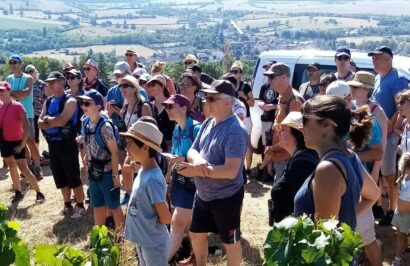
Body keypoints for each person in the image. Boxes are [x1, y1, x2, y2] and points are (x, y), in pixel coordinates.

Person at [177, 80, 248, 266]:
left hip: (227, 196)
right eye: (205, 97)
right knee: (196, 233)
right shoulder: (209, 121)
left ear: (227, 102)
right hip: (204, 194)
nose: (205, 101)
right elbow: (192, 150)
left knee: (230, 242)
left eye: (211, 98)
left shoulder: (236, 130)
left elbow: (231, 171)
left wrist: (198, 170)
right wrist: (199, 162)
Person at [294, 95, 380, 231]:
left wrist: (342, 223)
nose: (300, 126)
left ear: (326, 125)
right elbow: (373, 195)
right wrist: (345, 222)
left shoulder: (328, 169)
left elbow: (323, 238)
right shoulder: (351, 157)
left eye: (305, 119)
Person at [369, 46, 409, 226]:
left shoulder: (398, 79)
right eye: (373, 59)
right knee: (380, 173)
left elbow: (401, 106)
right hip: (378, 132)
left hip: (390, 134)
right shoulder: (378, 77)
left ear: (389, 59)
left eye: (378, 58)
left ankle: (392, 210)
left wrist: (391, 126)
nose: (374, 61)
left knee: (390, 174)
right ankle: (379, 206)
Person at [122, 120, 171, 266]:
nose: (126, 148)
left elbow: (165, 217)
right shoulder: (143, 170)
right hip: (144, 240)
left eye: (130, 144)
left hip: (154, 244)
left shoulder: (153, 179)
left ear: (144, 147)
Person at [38, 71, 85, 218]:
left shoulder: (70, 100)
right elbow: (40, 123)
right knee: (59, 175)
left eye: (53, 82)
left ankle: (80, 205)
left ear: (62, 82)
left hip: (67, 143)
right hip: (53, 144)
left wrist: (49, 120)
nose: (50, 85)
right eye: (49, 82)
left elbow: (63, 121)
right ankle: (67, 204)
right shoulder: (48, 101)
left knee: (73, 175)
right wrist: (52, 121)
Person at [163, 94, 201, 264]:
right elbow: (176, 157)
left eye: (171, 106)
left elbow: (204, 160)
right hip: (179, 182)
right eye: (166, 107)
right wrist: (169, 181)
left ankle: (160, 261)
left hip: (194, 185)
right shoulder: (176, 129)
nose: (167, 110)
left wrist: (183, 159)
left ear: (184, 108)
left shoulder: (196, 129)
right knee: (188, 225)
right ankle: (196, 256)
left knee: (177, 223)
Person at [78, 90, 124, 230]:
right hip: (94, 171)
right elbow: (87, 142)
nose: (84, 106)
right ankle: (99, 237)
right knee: (97, 205)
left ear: (98, 106)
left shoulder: (105, 126)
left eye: (87, 103)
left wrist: (115, 175)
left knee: (114, 206)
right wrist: (86, 156)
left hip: (107, 172)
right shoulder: (86, 122)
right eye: (82, 103)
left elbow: (115, 152)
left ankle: (120, 237)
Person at [349, 71, 389, 219]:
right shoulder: (352, 106)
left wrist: (376, 171)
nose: (353, 89)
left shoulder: (377, 111)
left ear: (367, 89)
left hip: (369, 164)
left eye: (357, 87)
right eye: (352, 85)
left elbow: (382, 143)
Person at [0, 81, 45, 203]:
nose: (1, 93)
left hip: (17, 142)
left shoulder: (18, 106)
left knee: (24, 169)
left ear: (9, 91)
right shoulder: (0, 106)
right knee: (12, 166)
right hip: (5, 142)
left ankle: (39, 193)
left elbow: (26, 126)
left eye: (3, 90)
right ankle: (18, 192)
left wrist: (22, 144)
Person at [270, 112, 319, 223]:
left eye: (283, 130)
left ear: (297, 134)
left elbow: (304, 208)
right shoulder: (298, 158)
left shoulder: (302, 164)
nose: (279, 134)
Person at [263, 63, 304, 181]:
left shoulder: (294, 101)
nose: (269, 80)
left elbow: (295, 136)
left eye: (272, 77)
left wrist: (272, 149)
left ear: (284, 77)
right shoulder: (282, 98)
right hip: (281, 155)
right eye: (268, 77)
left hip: (288, 157)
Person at [118, 75, 153, 204]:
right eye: (120, 86)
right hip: (131, 145)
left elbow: (150, 130)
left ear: (134, 89)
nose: (122, 88)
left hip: (143, 147)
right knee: (126, 168)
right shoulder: (125, 107)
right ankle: (130, 194)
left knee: (141, 172)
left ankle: (142, 198)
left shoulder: (144, 106)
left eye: (125, 85)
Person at [6, 55, 43, 180]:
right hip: (14, 116)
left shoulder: (28, 78)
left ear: (20, 64)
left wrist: (12, 94)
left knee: (31, 141)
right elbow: (8, 96)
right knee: (22, 144)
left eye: (15, 62)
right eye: (11, 62)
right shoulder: (8, 78)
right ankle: (29, 167)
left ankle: (38, 167)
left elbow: (26, 93)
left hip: (28, 115)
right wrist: (15, 95)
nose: (12, 64)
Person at [230, 61, 254, 178]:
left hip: (246, 117)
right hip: (232, 118)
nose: (233, 73)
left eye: (236, 71)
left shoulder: (245, 86)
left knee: (247, 144)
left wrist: (244, 96)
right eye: (231, 71)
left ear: (241, 73)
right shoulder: (229, 86)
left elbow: (252, 103)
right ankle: (240, 168)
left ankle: (248, 169)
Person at [146, 75, 175, 151]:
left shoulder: (172, 104)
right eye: (149, 85)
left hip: (170, 145)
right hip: (154, 145)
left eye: (153, 85)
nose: (150, 88)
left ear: (162, 86)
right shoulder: (149, 105)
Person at [391, 152, 410, 266]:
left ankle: (404, 249)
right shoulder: (402, 179)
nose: (407, 172)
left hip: (408, 214)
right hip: (400, 214)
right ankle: (397, 257)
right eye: (407, 169)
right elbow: (398, 193)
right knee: (400, 236)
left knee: (403, 236)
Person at [25, 64, 48, 148]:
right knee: (34, 137)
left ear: (35, 72)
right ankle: (36, 156)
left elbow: (48, 98)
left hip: (42, 114)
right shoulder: (26, 85)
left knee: (48, 135)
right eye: (27, 72)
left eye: (31, 71)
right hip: (30, 115)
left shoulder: (42, 84)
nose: (29, 74)